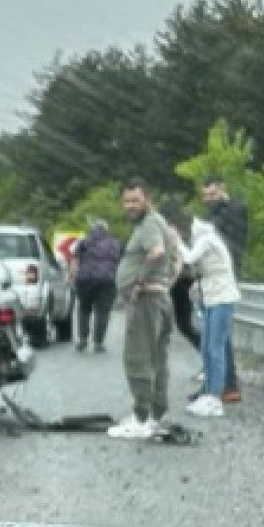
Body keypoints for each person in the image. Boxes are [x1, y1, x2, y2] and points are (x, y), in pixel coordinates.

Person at [107, 179, 179, 440]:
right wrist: (167, 282)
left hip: (148, 300)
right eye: (126, 201)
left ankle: (141, 418)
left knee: (138, 358)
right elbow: (175, 256)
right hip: (160, 297)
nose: (130, 206)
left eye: (135, 200)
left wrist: (138, 281)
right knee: (158, 359)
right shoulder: (159, 222)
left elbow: (158, 252)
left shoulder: (149, 224)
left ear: (147, 198)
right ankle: (155, 415)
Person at [178, 214, 241, 418]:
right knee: (206, 346)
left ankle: (214, 398)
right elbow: (204, 270)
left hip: (223, 297)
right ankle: (207, 393)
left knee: (215, 347)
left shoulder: (207, 239)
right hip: (212, 297)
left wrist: (174, 240)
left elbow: (188, 258)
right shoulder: (205, 240)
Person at [201, 176, 248, 403]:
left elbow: (217, 236)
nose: (209, 199)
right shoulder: (214, 215)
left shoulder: (234, 210)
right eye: (206, 195)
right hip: (212, 279)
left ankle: (224, 386)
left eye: (213, 194)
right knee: (215, 336)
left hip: (225, 280)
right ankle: (215, 384)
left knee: (218, 338)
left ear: (223, 190)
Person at [70, 219, 120, 353]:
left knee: (84, 309)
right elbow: (118, 262)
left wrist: (73, 277)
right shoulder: (114, 243)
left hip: (84, 279)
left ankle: (82, 339)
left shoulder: (83, 242)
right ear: (106, 230)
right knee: (102, 312)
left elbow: (74, 261)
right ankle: (98, 343)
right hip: (106, 281)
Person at [161, 199, 200, 352]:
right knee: (184, 325)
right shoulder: (179, 234)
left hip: (179, 283)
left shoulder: (170, 234)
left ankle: (207, 355)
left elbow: (180, 259)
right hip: (181, 281)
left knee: (184, 325)